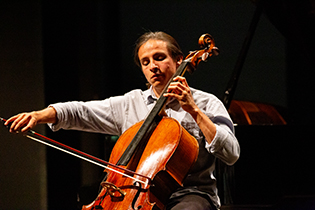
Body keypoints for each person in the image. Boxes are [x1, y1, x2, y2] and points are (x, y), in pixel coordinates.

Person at [5, 31, 240, 210]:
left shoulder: (207, 103)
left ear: (179, 60)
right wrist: (38, 115)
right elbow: (80, 112)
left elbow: (231, 153)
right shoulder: (130, 103)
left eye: (159, 58)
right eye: (145, 62)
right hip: (135, 195)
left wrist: (194, 111)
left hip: (191, 194)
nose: (152, 67)